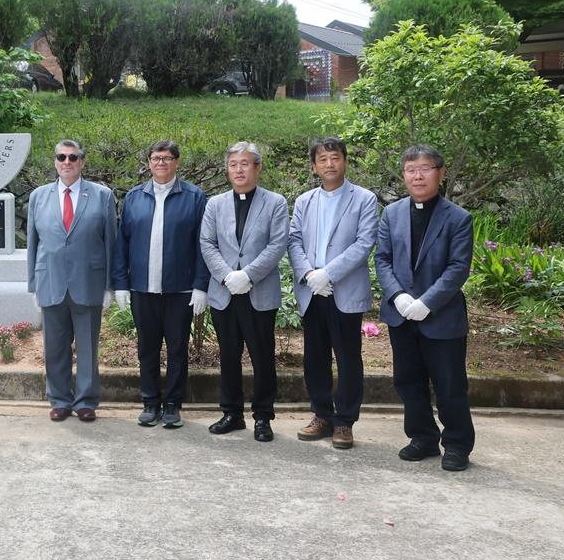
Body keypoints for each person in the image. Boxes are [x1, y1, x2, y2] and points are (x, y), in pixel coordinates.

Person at [375, 144, 475, 472]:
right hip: (401, 315)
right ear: (404, 175)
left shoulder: (458, 218)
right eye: (410, 170)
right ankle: (423, 437)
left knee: (449, 384)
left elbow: (458, 267)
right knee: (407, 381)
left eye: (425, 168)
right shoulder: (391, 214)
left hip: (442, 316)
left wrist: (427, 302)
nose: (417, 176)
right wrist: (398, 296)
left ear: (440, 173)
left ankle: (457, 444)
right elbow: (382, 259)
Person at [287, 137, 379, 449]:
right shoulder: (305, 201)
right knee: (315, 357)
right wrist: (309, 274)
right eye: (323, 159)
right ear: (314, 166)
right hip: (312, 291)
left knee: (348, 357)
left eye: (335, 157)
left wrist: (329, 273)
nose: (329, 164)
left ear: (345, 161)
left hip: (345, 290)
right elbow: (294, 240)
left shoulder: (364, 199)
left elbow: (364, 243)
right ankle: (321, 415)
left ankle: (345, 421)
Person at [111, 140, 209, 429]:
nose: (161, 163)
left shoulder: (194, 197)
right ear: (149, 163)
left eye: (167, 158)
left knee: (177, 350)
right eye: (156, 158)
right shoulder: (134, 197)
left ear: (176, 162)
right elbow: (122, 244)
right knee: (147, 349)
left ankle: (173, 405)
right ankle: (150, 403)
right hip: (143, 289)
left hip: (180, 290)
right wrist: (121, 284)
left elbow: (203, 244)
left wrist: (201, 285)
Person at [200, 141, 288, 442]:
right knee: (228, 356)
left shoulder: (275, 203)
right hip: (224, 292)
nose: (238, 170)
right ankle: (232, 413)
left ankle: (263, 416)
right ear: (227, 169)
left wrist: (248, 275)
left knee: (262, 357)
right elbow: (207, 243)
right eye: (233, 164)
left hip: (258, 291)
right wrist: (227, 276)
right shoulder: (215, 204)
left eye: (245, 163)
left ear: (257, 167)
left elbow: (277, 244)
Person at [27, 139, 116, 423]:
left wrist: (110, 285)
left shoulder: (102, 196)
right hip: (51, 281)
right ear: (55, 162)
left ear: (82, 162)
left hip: (88, 282)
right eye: (61, 157)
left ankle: (86, 401)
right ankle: (60, 400)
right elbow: (33, 244)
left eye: (73, 157)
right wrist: (33, 284)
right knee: (54, 347)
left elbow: (111, 243)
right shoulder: (38, 197)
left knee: (87, 348)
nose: (67, 162)